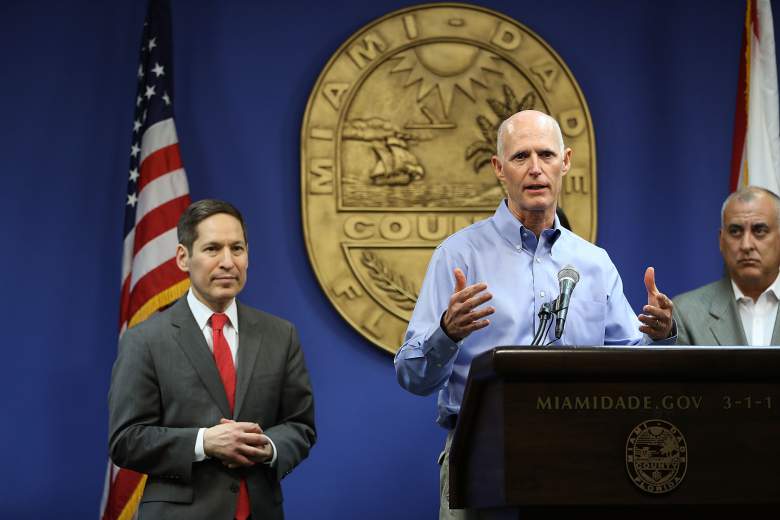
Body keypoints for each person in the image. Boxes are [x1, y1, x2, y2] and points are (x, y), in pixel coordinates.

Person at [394, 110, 675, 519]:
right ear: (498, 168)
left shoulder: (594, 263)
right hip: (482, 455)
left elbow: (633, 368)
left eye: (546, 155)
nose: (535, 169)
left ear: (566, 162)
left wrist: (661, 335)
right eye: (521, 157)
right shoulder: (458, 257)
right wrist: (446, 334)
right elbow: (411, 375)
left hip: (582, 458)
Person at [109, 199, 316, 520]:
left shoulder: (281, 334)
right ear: (183, 258)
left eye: (237, 248)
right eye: (212, 249)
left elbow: (300, 425)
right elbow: (126, 440)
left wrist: (268, 446)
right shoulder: (145, 340)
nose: (228, 262)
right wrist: (204, 442)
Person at [673, 186, 780, 345]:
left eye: (759, 230)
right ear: (721, 241)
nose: (746, 245)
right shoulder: (686, 313)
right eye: (735, 231)